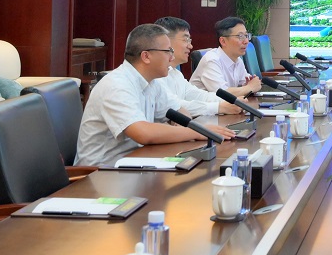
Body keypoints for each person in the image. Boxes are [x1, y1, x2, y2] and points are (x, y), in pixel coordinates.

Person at [75, 24, 235, 167]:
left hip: (136, 161)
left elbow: (180, 111)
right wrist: (198, 132)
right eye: (168, 52)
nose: (172, 58)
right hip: (100, 173)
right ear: (146, 56)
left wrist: (184, 126)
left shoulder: (153, 82)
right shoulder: (117, 85)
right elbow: (143, 133)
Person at [154, 16, 241, 117]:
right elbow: (174, 106)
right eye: (185, 39)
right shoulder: (156, 76)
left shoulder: (176, 74)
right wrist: (219, 107)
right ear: (166, 41)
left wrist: (233, 101)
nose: (190, 46)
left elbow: (199, 95)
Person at [189, 16, 263, 96]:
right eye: (240, 36)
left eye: (246, 35)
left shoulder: (238, 60)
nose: (246, 41)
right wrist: (249, 88)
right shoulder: (211, 60)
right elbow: (222, 94)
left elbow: (246, 83)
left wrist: (250, 84)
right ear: (223, 41)